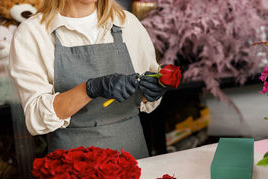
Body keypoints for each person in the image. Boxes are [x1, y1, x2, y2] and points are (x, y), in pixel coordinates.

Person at [9, 0, 167, 159]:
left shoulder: (128, 23)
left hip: (134, 158)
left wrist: (150, 91)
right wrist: (90, 89)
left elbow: (144, 96)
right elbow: (36, 117)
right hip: (73, 166)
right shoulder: (33, 33)